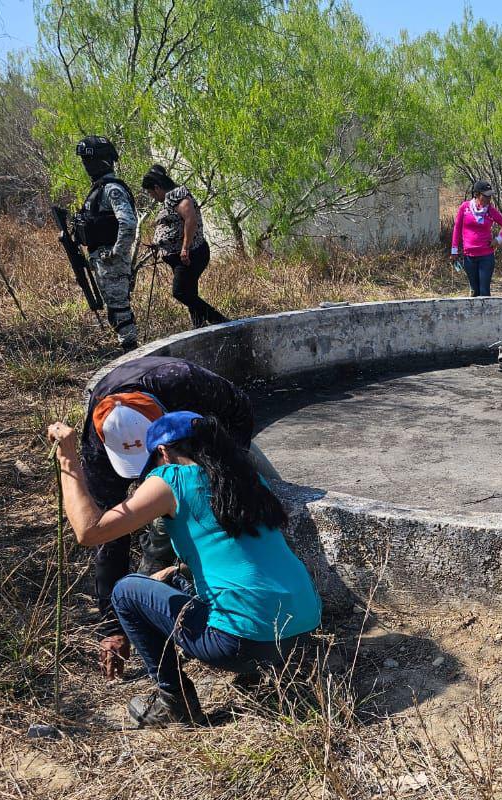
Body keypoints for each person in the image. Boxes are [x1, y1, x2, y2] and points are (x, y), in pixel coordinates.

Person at [47, 411, 321, 726]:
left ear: (163, 452)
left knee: (126, 591)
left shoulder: (171, 480)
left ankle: (174, 701)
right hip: (302, 630)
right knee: (173, 580)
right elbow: (231, 550)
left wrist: (68, 458)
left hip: (242, 643)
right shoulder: (246, 478)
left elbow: (89, 531)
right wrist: (171, 573)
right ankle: (270, 669)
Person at [80, 356, 260, 683]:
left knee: (211, 519)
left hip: (205, 442)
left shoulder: (182, 380)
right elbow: (107, 536)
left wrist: (225, 475)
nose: (146, 475)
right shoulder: (96, 448)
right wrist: (112, 627)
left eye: (150, 463)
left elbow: (240, 409)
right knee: (155, 537)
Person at [141, 165, 229, 328]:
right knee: (190, 293)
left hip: (190, 255)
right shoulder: (172, 197)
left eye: (151, 193)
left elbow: (190, 218)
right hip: (182, 256)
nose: (153, 197)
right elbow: (175, 223)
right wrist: (159, 243)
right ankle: (200, 327)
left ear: (157, 188)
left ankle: (220, 321)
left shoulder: (177, 195)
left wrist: (185, 248)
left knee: (180, 292)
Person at [75, 136, 139, 350]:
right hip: (102, 259)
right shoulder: (99, 189)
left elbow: (128, 223)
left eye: (88, 160)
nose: (85, 165)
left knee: (120, 311)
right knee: (115, 310)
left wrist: (116, 253)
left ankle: (131, 356)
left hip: (111, 261)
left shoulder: (112, 189)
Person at [450, 180, 502, 297]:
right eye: (486, 196)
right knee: (474, 291)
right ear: (477, 194)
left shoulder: (491, 210)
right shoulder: (465, 207)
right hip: (469, 256)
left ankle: (487, 314)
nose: (489, 199)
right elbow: (457, 229)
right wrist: (454, 251)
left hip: (486, 256)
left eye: (490, 196)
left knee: (484, 291)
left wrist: (497, 240)